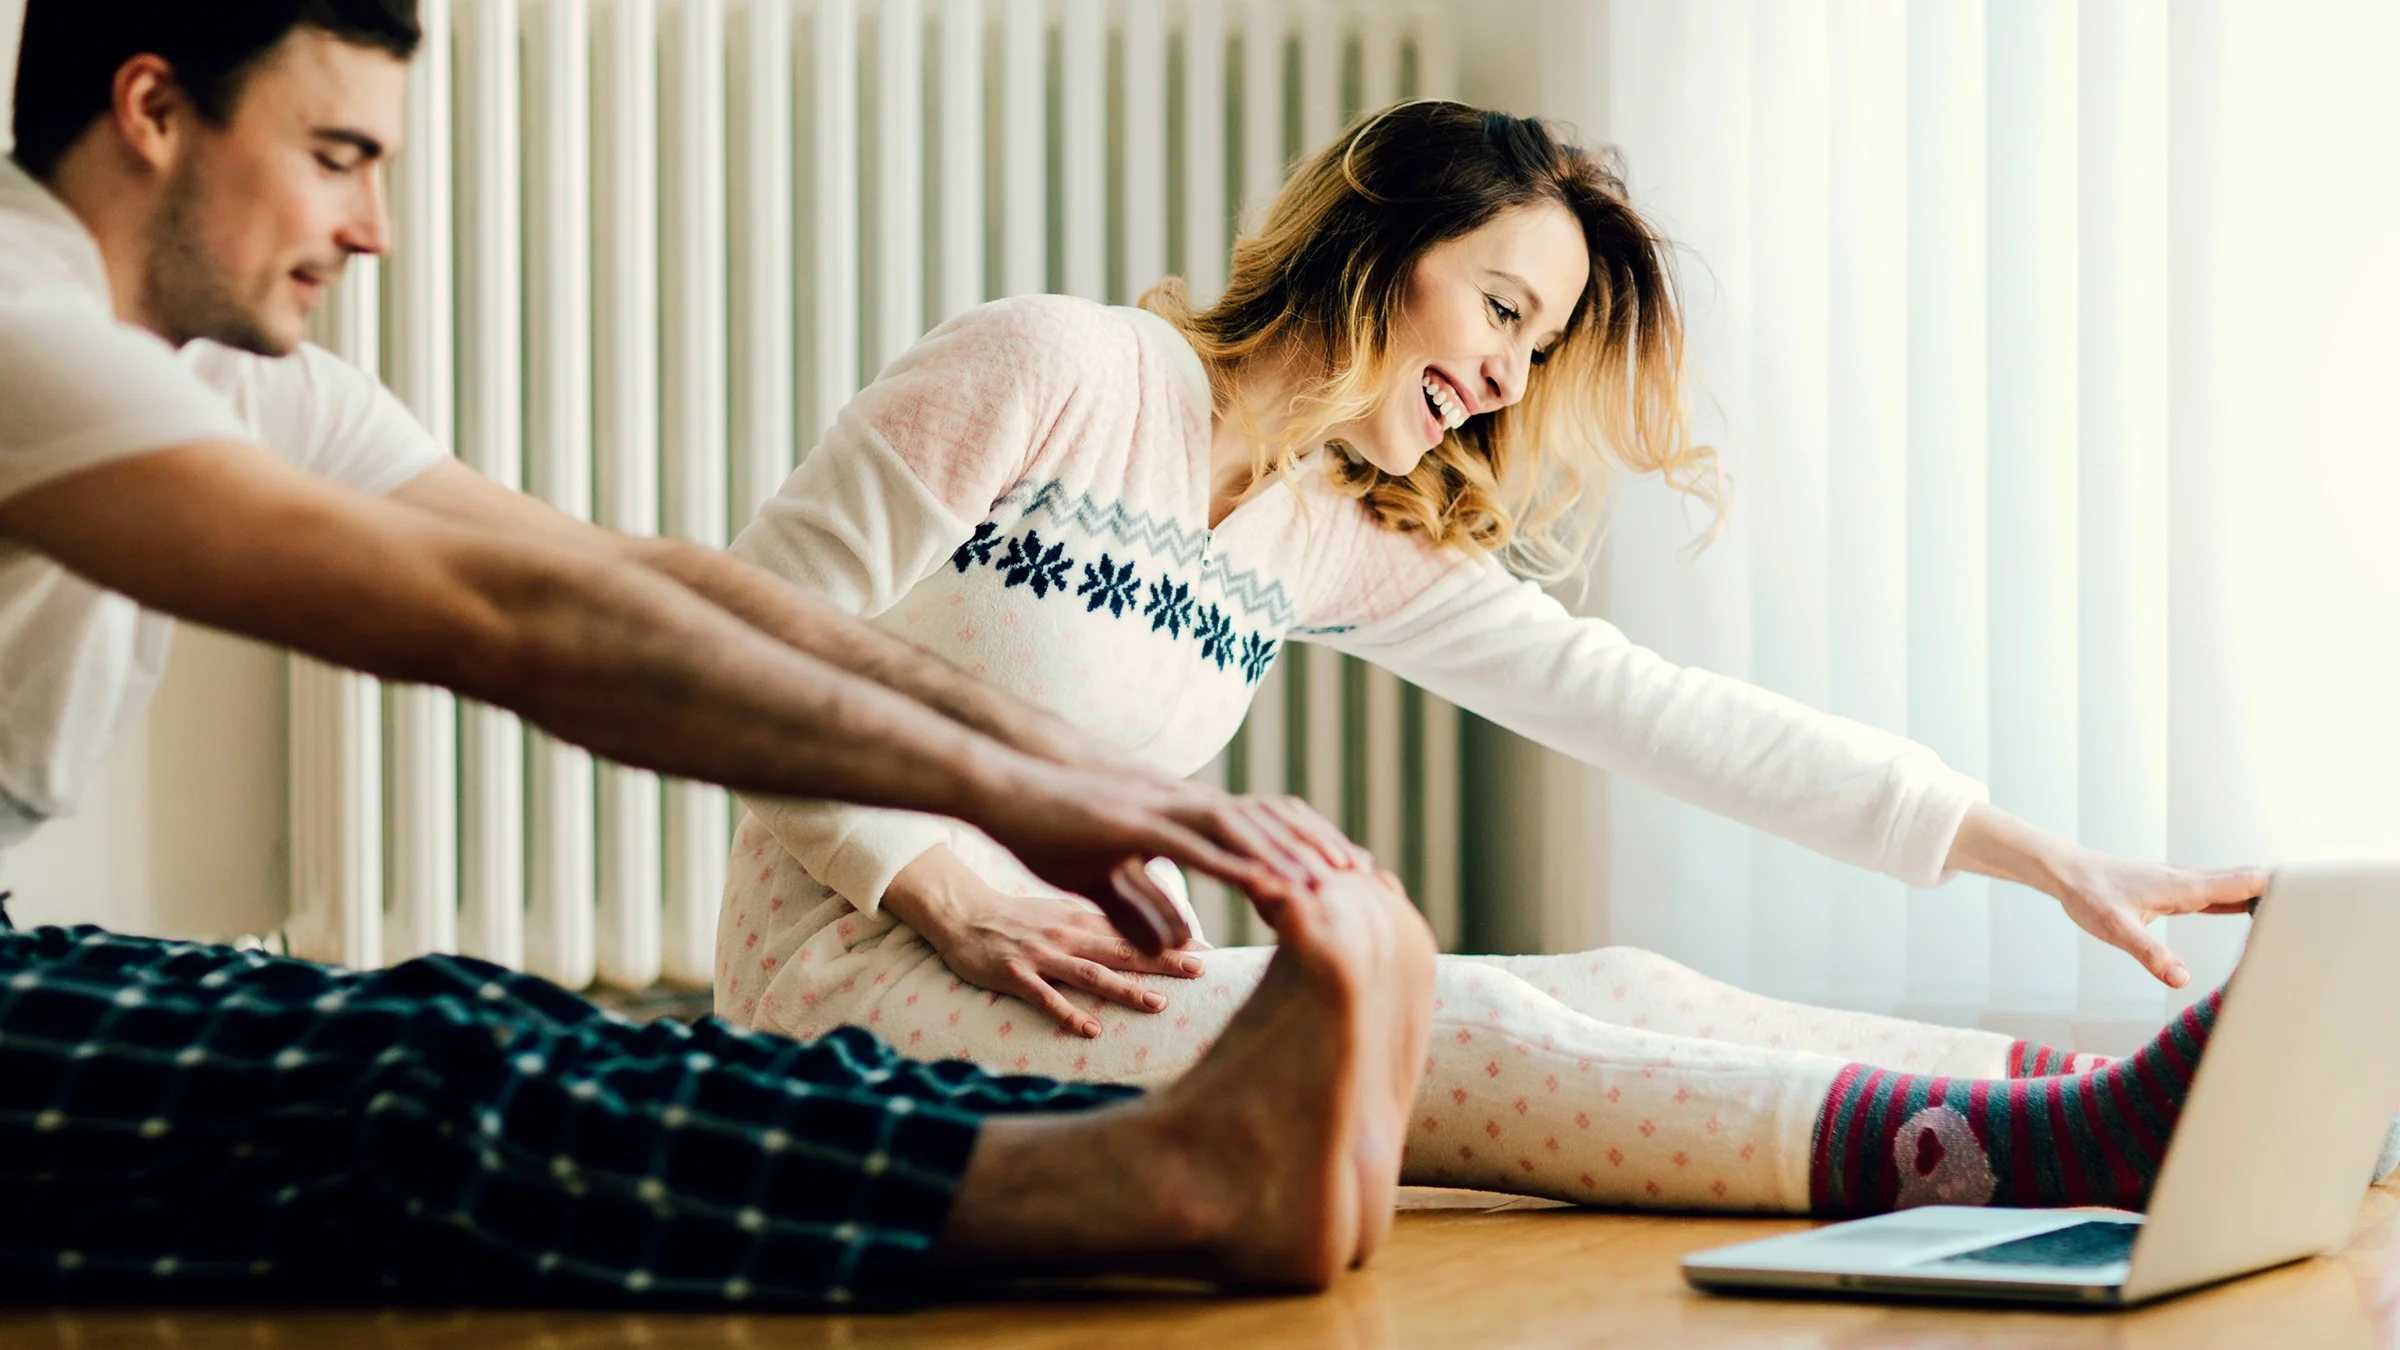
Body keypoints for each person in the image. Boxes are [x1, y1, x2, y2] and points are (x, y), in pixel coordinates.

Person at [0, 0, 1436, 1304]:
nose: (374, 225)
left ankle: (1162, 1137)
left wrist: (1054, 759)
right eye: (335, 154)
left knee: (471, 1012)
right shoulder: (25, 327)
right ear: (152, 109)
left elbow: (637, 577)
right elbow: (523, 628)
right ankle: (1172, 1177)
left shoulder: (220, 375)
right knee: (418, 1084)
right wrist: (1007, 795)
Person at [716, 99, 2336, 1220]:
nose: (1502, 378)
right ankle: (2021, 1151)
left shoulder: (1325, 526)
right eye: (1499, 308)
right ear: (1377, 241)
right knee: (1425, 1018)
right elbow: (731, 648)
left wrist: (2037, 854)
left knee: (1632, 988)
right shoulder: (1056, 369)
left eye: (1532, 348)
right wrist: (934, 874)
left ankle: (2137, 1094)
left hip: (1067, 979)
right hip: (844, 985)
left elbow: (1658, 709)